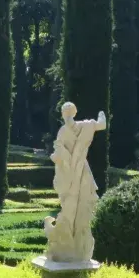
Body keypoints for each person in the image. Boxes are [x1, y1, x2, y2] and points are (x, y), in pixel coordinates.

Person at [45, 102, 106, 262]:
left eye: (68, 112)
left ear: (72, 113)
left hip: (80, 171)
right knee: (70, 204)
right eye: (65, 112)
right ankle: (68, 241)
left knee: (82, 203)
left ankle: (78, 243)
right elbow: (58, 151)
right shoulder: (69, 130)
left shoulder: (80, 126)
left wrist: (101, 115)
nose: (67, 115)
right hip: (70, 173)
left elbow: (101, 125)